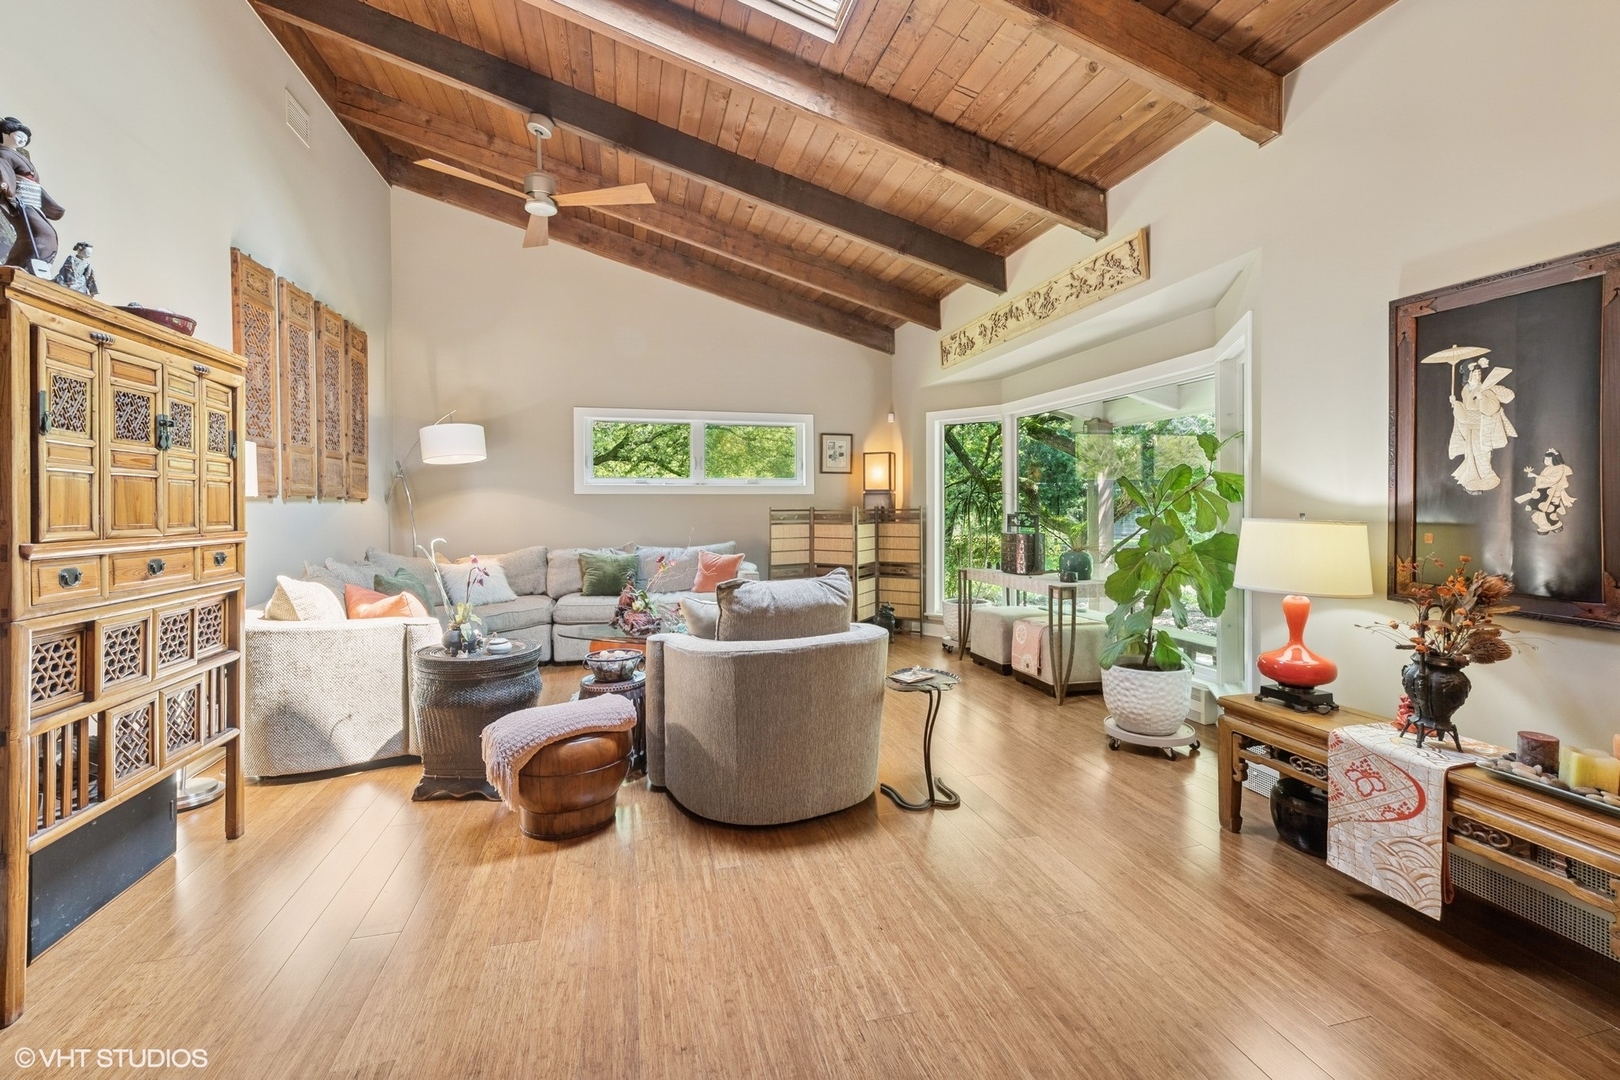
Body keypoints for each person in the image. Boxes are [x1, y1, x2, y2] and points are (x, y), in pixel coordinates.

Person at [0, 117, 63, 274]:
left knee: (45, 233)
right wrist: (6, 187)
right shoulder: (3, 154)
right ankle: (25, 264)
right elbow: (4, 171)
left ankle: (17, 263)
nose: (22, 140)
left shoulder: (20, 155)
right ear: (6, 133)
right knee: (42, 234)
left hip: (32, 198)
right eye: (19, 135)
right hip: (20, 198)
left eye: (25, 138)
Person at [1446, 358, 1516, 492]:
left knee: (1482, 453)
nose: (1478, 376)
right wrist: (1456, 404)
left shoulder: (1484, 389)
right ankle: (1474, 478)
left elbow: (1493, 407)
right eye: (1474, 374)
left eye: (1479, 374)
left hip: (1483, 427)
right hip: (1470, 427)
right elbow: (1465, 413)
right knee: (1471, 453)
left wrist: (1481, 397)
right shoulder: (1465, 390)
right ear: (1468, 376)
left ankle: (1488, 476)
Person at [1515, 448, 1575, 534]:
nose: (1546, 461)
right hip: (1544, 492)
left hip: (1553, 493)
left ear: (1555, 459)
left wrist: (1535, 476)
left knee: (1549, 510)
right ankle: (1544, 527)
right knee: (1541, 510)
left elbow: (1551, 480)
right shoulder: (1547, 469)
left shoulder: (1560, 468)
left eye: (1549, 459)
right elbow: (1542, 482)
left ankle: (1556, 526)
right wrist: (1536, 481)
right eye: (1545, 459)